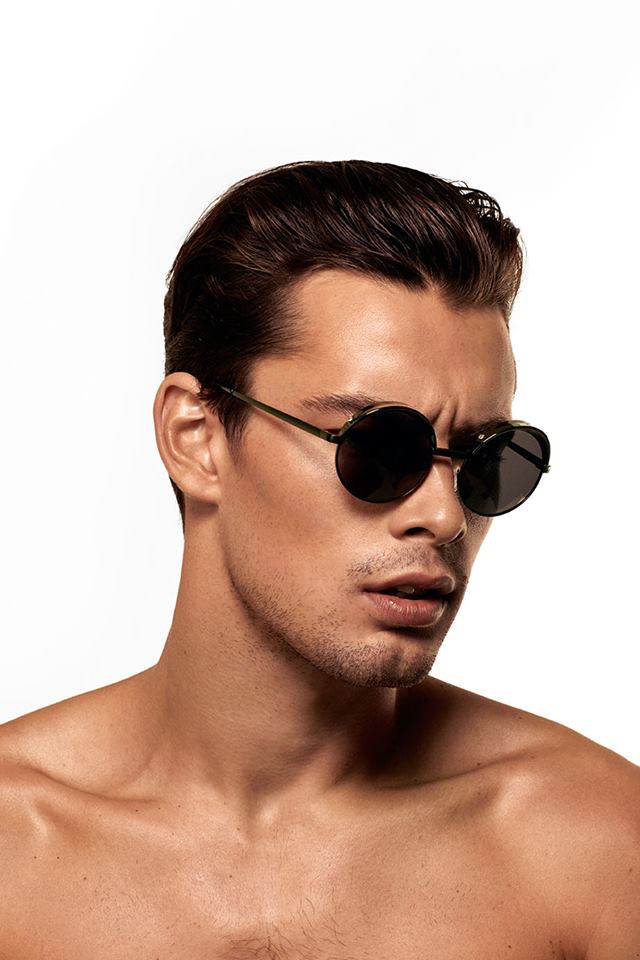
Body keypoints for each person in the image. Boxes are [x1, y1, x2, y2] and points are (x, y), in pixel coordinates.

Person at [0, 159, 637, 958]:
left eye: (485, 459)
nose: (444, 515)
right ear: (196, 440)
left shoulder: (595, 850)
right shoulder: (15, 850)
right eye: (379, 448)